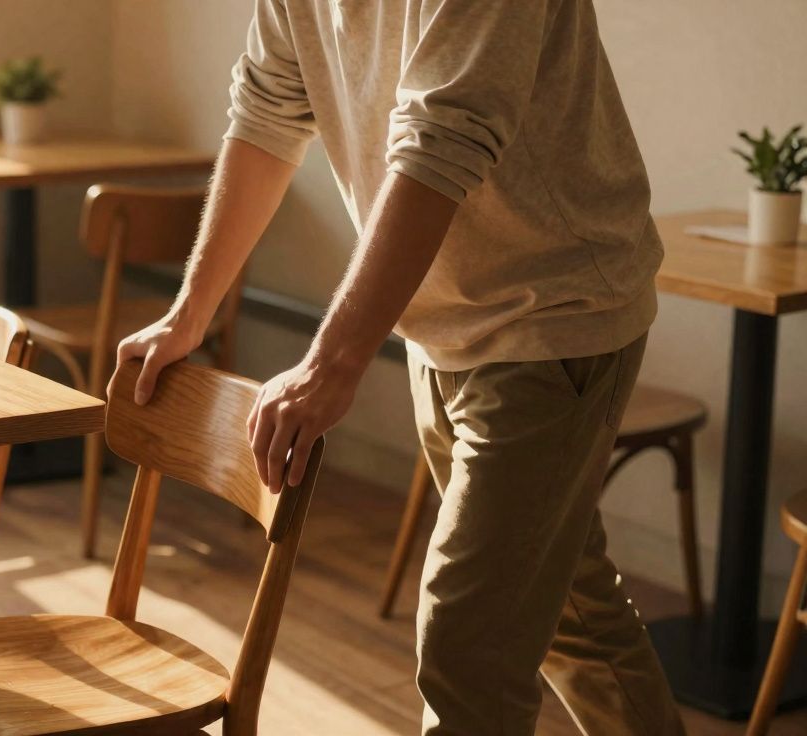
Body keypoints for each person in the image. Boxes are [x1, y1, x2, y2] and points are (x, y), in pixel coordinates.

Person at [112, 1, 685, 734]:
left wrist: (329, 363)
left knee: (468, 650)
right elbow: (264, 116)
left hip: (553, 317)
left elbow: (441, 144)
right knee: (571, 611)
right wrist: (189, 312)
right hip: (437, 318)